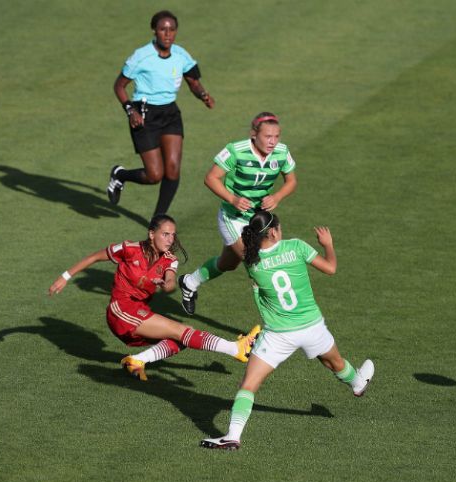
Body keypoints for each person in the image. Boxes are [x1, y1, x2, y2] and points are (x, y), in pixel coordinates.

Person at [200, 210, 374, 450]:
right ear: (273, 231)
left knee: (249, 385)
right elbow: (331, 268)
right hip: (312, 327)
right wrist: (328, 245)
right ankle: (357, 383)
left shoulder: (253, 262)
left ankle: (233, 435)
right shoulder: (297, 247)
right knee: (333, 362)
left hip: (278, 335)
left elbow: (259, 291)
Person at [48, 214, 260, 381]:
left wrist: (165, 284)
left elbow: (169, 282)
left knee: (180, 339)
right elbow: (95, 257)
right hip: (121, 311)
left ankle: (137, 361)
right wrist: (65, 277)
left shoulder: (170, 260)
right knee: (182, 331)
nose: (170, 240)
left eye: (172, 235)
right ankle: (235, 348)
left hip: (139, 312)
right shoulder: (129, 249)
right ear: (151, 234)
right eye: (165, 234)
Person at [178, 112, 297, 315]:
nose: (273, 141)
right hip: (232, 218)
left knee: (228, 264)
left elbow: (291, 181)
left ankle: (189, 282)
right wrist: (232, 199)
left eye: (277, 136)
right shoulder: (236, 150)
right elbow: (211, 178)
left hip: (258, 220)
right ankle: (276, 318)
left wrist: (276, 197)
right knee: (256, 264)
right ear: (254, 134)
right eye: (268, 136)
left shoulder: (282, 152)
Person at [106, 10, 215, 219]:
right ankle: (120, 175)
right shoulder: (141, 56)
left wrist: (203, 95)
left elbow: (193, 81)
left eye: (172, 30)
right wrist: (130, 110)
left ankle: (157, 219)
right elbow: (119, 86)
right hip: (144, 114)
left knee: (173, 170)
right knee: (155, 175)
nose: (168, 34)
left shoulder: (182, 55)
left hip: (170, 113)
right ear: (154, 30)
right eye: (163, 29)